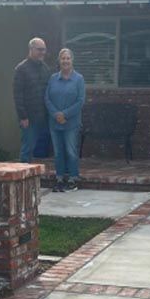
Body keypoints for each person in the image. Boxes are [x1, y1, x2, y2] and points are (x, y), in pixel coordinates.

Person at [45, 48, 85, 192]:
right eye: (63, 58)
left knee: (70, 151)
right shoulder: (53, 78)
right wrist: (56, 114)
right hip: (54, 122)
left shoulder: (79, 79)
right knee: (58, 152)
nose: (65, 61)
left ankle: (73, 179)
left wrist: (65, 114)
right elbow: (47, 98)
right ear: (59, 61)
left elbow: (80, 101)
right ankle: (60, 178)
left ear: (72, 60)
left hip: (71, 123)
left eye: (68, 58)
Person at [12, 37, 51, 162]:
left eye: (44, 50)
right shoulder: (21, 69)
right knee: (27, 150)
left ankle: (34, 179)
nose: (42, 53)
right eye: (39, 49)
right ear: (31, 49)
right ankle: (22, 179)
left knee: (41, 152)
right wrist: (23, 117)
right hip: (29, 119)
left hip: (44, 117)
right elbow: (18, 95)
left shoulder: (45, 69)